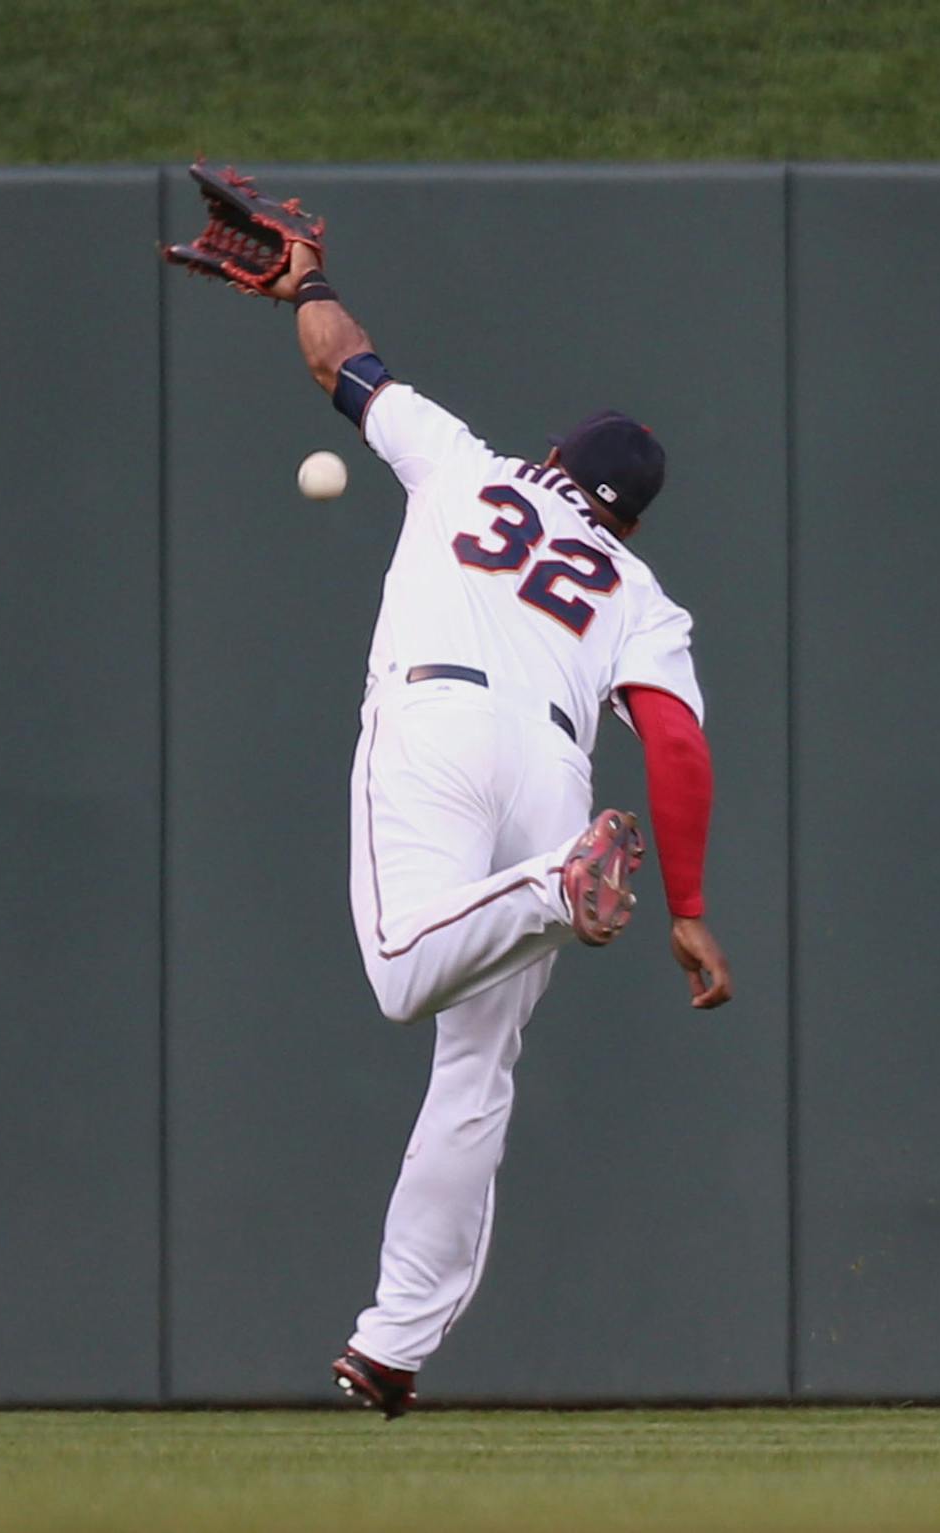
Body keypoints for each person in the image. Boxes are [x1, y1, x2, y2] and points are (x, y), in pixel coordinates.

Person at [260, 240, 734, 1419]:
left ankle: (545, 892)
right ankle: (393, 1345)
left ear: (559, 461)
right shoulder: (638, 593)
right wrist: (686, 909)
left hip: (440, 722)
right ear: (628, 518)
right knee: (476, 1068)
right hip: (555, 774)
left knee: (399, 975)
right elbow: (674, 744)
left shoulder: (470, 465)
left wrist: (306, 282)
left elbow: (343, 363)